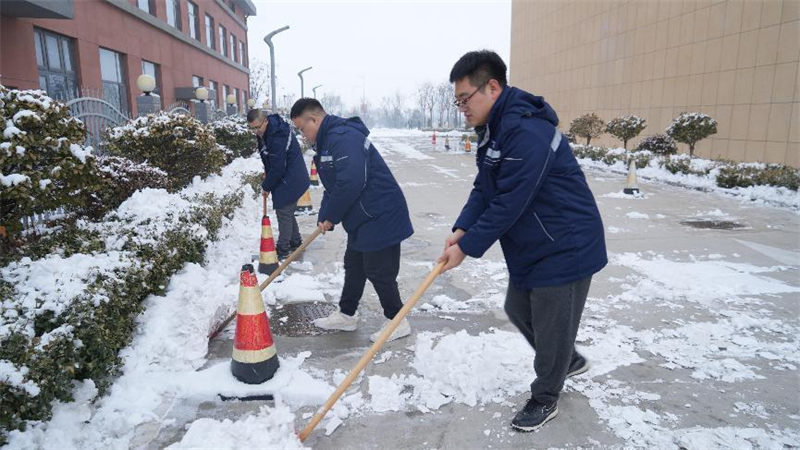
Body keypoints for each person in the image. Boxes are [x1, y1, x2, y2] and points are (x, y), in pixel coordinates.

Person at [437, 50, 607, 432]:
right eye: (458, 100)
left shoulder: (527, 130)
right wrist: (463, 228)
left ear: (492, 87)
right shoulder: (497, 129)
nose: (461, 107)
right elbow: (486, 186)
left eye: (465, 98)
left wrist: (467, 248)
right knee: (518, 309)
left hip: (565, 244)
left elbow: (511, 199)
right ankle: (566, 360)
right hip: (535, 243)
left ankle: (546, 396)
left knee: (550, 325)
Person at [290, 98, 415, 343]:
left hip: (380, 213)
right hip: (364, 216)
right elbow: (333, 186)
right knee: (354, 265)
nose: (303, 136)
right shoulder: (328, 143)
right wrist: (325, 216)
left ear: (314, 119)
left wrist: (333, 215)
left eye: (303, 129)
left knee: (379, 270)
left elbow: (351, 181)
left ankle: (397, 321)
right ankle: (347, 315)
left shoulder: (342, 137)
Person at [247, 109, 310, 259]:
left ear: (265, 121)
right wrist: (267, 172)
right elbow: (268, 157)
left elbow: (278, 167)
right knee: (286, 210)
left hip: (292, 176)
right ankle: (295, 241)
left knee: (283, 210)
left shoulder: (277, 134)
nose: (255, 131)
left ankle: (283, 249)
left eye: (257, 127)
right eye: (252, 128)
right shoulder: (265, 132)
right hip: (285, 175)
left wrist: (266, 186)